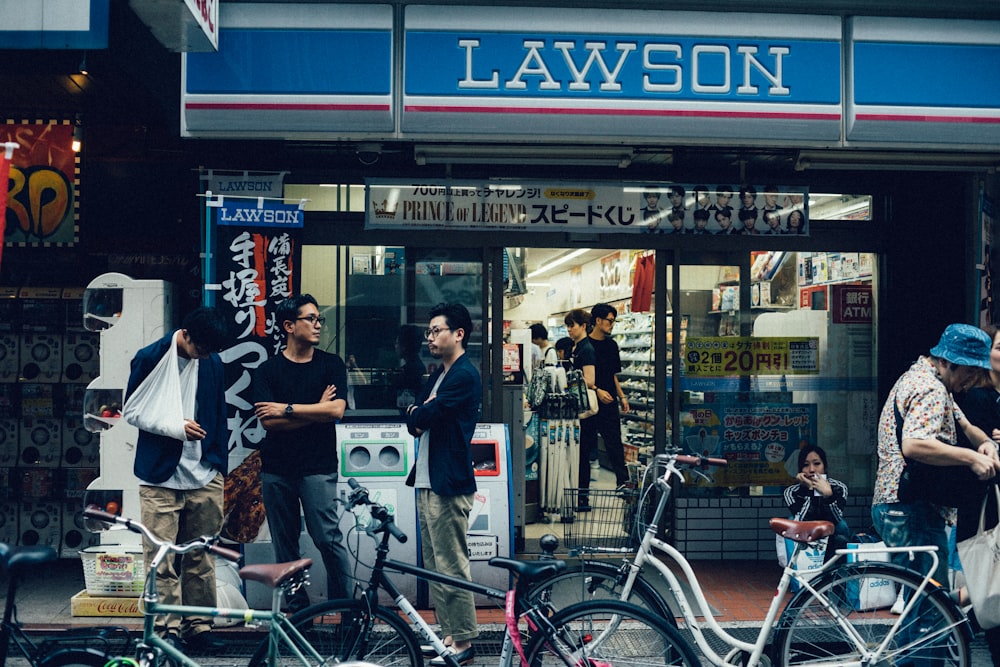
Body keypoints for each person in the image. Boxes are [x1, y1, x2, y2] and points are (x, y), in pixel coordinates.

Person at [124, 306, 230, 652]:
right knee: (160, 558)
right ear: (185, 334)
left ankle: (198, 627)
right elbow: (134, 410)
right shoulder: (150, 358)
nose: (204, 356)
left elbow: (217, 412)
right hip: (160, 477)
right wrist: (175, 427)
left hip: (204, 473)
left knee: (201, 557)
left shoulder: (212, 361)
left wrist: (217, 463)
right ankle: (165, 630)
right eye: (200, 349)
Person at [872, 323, 1000, 592]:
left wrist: (985, 442)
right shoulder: (930, 389)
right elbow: (915, 445)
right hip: (910, 507)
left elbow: (965, 425)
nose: (972, 379)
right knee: (928, 607)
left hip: (902, 505)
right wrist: (971, 458)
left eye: (978, 371)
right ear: (946, 361)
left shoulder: (930, 381)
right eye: (969, 370)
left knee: (923, 602)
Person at [252, 295, 353, 613]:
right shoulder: (267, 371)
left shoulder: (330, 364)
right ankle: (298, 611)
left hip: (318, 465)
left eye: (318, 319)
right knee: (286, 544)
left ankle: (346, 606)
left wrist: (288, 408)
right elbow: (269, 422)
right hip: (277, 467)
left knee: (328, 538)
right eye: (310, 319)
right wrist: (314, 409)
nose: (318, 325)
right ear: (289, 326)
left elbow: (336, 410)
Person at [404, 302, 481, 666]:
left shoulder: (464, 374)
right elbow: (415, 418)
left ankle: (463, 642)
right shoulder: (438, 375)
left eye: (437, 330)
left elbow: (423, 415)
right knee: (435, 565)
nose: (431, 337)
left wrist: (420, 413)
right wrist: (420, 413)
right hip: (428, 479)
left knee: (451, 565)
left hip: (448, 481)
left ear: (458, 334)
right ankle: (448, 636)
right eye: (429, 331)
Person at [953, 326, 1000, 664]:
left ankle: (963, 604)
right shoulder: (976, 398)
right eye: (999, 347)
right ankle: (966, 610)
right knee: (991, 579)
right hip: (986, 503)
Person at [584, 304, 630, 493]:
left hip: (609, 401)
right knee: (585, 447)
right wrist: (597, 390)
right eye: (610, 321)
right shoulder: (585, 345)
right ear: (598, 320)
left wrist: (622, 396)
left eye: (613, 321)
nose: (612, 325)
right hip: (590, 403)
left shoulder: (611, 345)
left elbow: (612, 374)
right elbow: (580, 377)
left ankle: (623, 483)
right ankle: (582, 491)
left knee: (615, 443)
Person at [783, 445, 850, 560]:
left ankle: (838, 568)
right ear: (800, 469)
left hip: (832, 535)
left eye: (817, 463)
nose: (812, 470)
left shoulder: (838, 487)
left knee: (842, 525)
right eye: (806, 465)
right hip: (804, 537)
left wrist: (828, 495)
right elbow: (803, 521)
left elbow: (836, 520)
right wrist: (811, 490)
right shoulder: (791, 492)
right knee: (791, 520)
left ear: (825, 466)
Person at [564, 309, 597, 508]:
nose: (569, 329)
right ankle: (576, 493)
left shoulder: (587, 349)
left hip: (585, 411)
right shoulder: (574, 348)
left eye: (572, 325)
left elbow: (591, 380)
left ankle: (582, 497)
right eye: (567, 325)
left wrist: (569, 381)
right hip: (576, 408)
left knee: (582, 454)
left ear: (583, 326)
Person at [395, 324, 426, 414]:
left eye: (397, 343)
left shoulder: (410, 370)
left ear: (404, 346)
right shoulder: (417, 366)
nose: (395, 346)